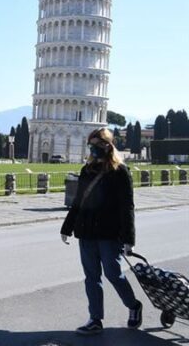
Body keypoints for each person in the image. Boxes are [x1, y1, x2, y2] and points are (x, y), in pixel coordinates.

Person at [61, 127, 142, 335]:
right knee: (91, 277)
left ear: (108, 145)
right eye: (91, 145)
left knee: (114, 274)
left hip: (108, 233)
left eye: (98, 145)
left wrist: (128, 239)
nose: (94, 149)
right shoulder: (87, 170)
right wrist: (67, 227)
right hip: (86, 232)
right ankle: (95, 319)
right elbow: (78, 202)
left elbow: (127, 206)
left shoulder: (120, 171)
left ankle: (133, 306)